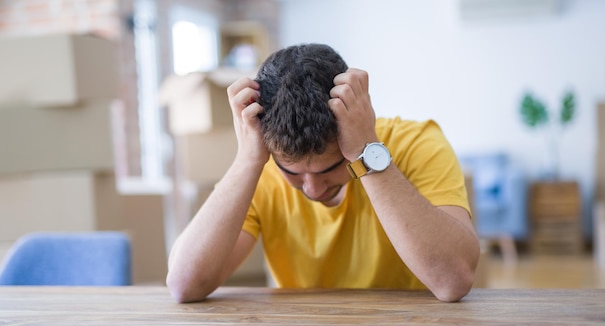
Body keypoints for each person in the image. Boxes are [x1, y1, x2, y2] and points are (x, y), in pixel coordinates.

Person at [167, 43, 480, 303]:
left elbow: (453, 280)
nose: (313, 190)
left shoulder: (417, 142)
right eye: (293, 173)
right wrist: (247, 160)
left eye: (330, 169)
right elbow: (184, 284)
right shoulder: (261, 164)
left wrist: (366, 151)